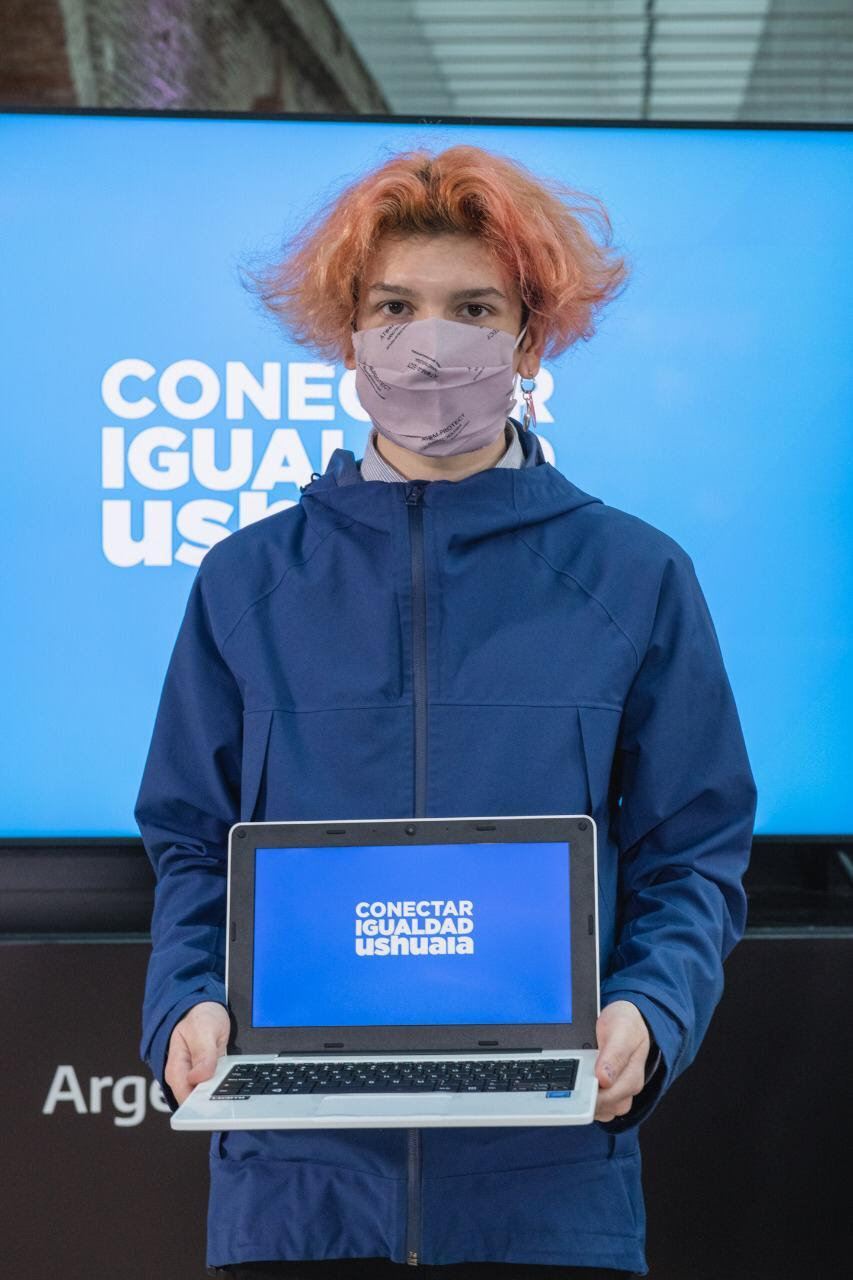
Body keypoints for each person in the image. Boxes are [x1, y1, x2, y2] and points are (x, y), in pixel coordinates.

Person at [135, 144, 757, 1279]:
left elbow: (693, 851)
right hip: (295, 1199)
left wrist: (649, 1013)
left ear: (529, 337)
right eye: (395, 307)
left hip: (546, 1199)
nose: (430, 343)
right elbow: (189, 841)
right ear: (348, 333)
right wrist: (188, 1001)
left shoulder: (635, 577)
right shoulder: (245, 582)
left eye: (473, 308)